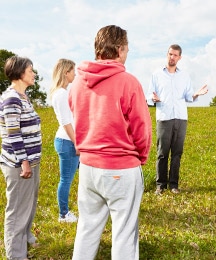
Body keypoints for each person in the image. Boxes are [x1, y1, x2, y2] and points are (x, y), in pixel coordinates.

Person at [69, 25, 152, 260]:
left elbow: (78, 120)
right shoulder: (128, 81)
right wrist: (141, 156)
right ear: (119, 49)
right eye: (126, 48)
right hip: (121, 167)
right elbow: (142, 128)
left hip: (87, 166)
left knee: (86, 228)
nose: (127, 53)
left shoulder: (77, 83)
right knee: (124, 232)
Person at [147, 44, 208, 195]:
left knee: (177, 153)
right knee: (162, 153)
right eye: (169, 54)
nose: (171, 57)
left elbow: (188, 96)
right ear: (166, 55)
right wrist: (153, 98)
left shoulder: (184, 76)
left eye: (175, 55)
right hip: (164, 118)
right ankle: (160, 185)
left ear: (179, 58)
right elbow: (149, 95)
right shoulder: (156, 75)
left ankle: (173, 185)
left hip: (181, 118)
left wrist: (196, 94)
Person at [0, 56, 42, 260]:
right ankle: (16, 255)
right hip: (19, 164)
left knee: (30, 203)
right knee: (17, 210)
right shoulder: (11, 98)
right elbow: (13, 133)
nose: (33, 74)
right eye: (30, 70)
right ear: (19, 73)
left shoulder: (24, 97)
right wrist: (24, 161)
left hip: (32, 161)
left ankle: (24, 236)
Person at [51, 58, 80, 223]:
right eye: (72, 71)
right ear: (65, 72)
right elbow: (66, 122)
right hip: (67, 141)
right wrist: (76, 142)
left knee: (75, 176)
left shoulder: (63, 92)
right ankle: (63, 214)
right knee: (66, 179)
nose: (74, 74)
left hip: (69, 140)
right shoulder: (61, 94)